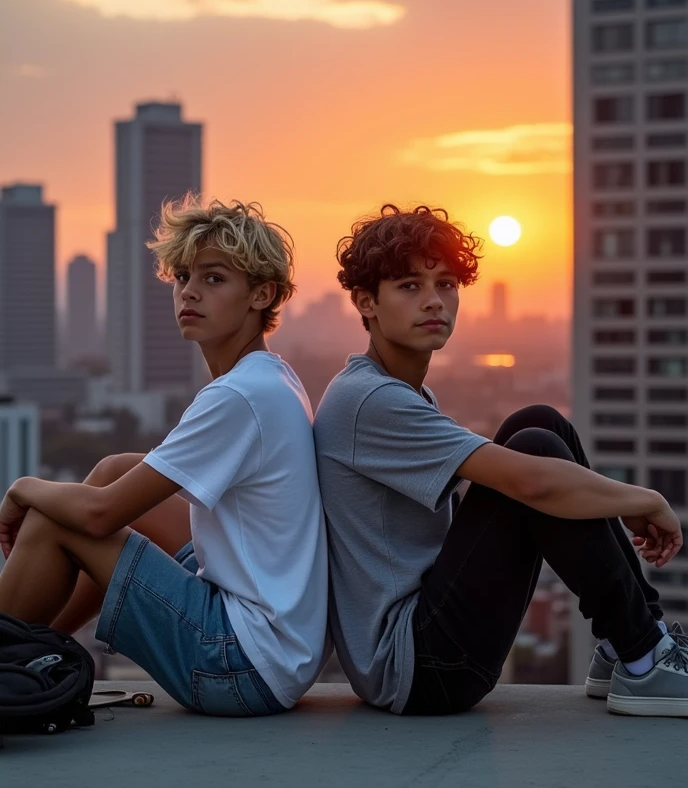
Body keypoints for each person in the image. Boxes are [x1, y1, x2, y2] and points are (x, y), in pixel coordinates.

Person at [314, 204, 688, 718]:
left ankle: (631, 646)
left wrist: (614, 501)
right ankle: (645, 659)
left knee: (538, 423)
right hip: (420, 668)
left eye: (446, 284)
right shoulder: (368, 401)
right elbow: (530, 483)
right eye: (409, 286)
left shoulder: (402, 390)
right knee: (533, 450)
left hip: (430, 639)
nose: (433, 302)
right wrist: (643, 499)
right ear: (366, 302)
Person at [0, 197, 328, 717]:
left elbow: (99, 515)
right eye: (182, 277)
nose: (189, 292)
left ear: (262, 294)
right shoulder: (271, 375)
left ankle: (10, 655)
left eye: (214, 279)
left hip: (239, 666)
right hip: (282, 650)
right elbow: (110, 494)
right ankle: (28, 655)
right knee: (113, 473)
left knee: (55, 520)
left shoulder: (238, 397)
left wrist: (21, 488)